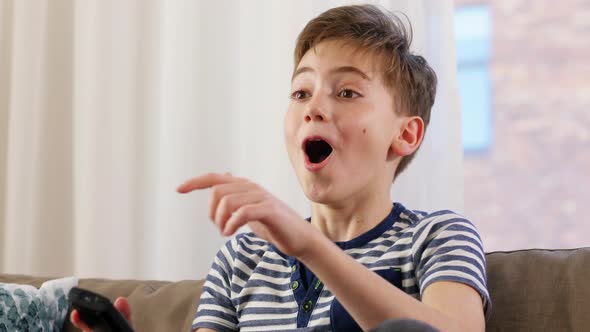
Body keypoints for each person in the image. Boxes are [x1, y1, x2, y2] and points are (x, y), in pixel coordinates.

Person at [72, 4, 490, 332]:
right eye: (300, 92)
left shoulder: (437, 237)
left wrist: (310, 245)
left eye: (346, 92)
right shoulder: (242, 258)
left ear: (406, 135)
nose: (314, 108)